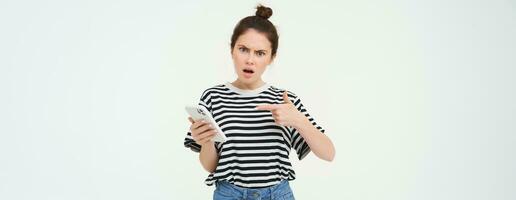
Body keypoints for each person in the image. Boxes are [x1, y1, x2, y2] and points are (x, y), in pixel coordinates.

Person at [183, 5, 335, 200]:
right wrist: (205, 142)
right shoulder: (213, 97)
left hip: (277, 195)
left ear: (272, 57)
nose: (250, 60)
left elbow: (328, 154)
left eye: (260, 53)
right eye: (243, 49)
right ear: (232, 50)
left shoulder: (285, 100)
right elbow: (210, 167)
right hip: (229, 194)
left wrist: (299, 120)